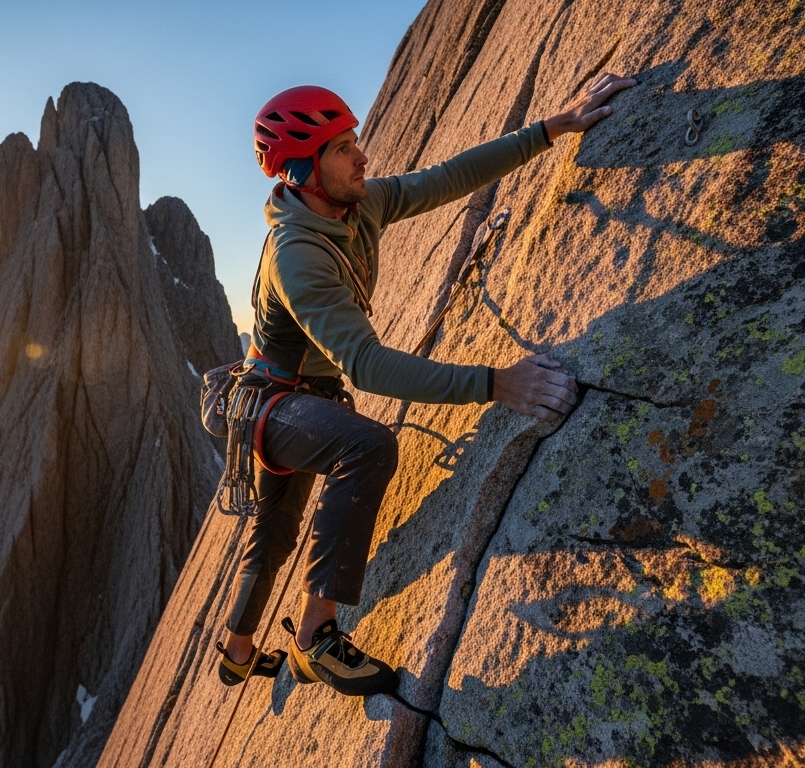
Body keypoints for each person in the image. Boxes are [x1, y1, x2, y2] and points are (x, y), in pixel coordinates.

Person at [215, 74, 637, 696]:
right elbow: (366, 364)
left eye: (353, 139)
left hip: (300, 400)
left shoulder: (357, 205)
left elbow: (442, 180)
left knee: (275, 532)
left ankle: (235, 655)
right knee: (362, 451)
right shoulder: (297, 253)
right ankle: (313, 641)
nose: (361, 155)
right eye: (340, 148)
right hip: (275, 406)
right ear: (302, 172)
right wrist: (497, 382)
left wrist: (550, 129)